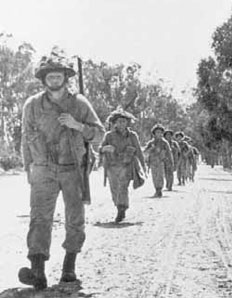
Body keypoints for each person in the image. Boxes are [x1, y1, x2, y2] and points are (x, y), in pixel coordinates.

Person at [19, 49, 105, 289]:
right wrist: (29, 168)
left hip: (72, 169)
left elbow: (99, 134)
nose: (54, 80)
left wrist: (77, 125)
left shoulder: (79, 103)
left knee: (74, 219)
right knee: (39, 219)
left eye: (58, 76)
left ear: (65, 78)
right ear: (44, 79)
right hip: (43, 170)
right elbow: (25, 139)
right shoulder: (33, 105)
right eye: (50, 76)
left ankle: (69, 268)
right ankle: (37, 271)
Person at [100, 108, 146, 223]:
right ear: (114, 122)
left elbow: (139, 151)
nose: (121, 124)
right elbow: (100, 149)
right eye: (119, 121)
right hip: (112, 167)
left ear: (127, 123)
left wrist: (143, 166)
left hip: (126, 166)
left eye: (124, 121)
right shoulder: (109, 136)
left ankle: (121, 209)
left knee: (122, 187)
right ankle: (119, 206)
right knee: (114, 189)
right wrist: (105, 148)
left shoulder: (132, 136)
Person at [144, 124, 173, 197]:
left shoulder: (164, 143)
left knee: (160, 176)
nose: (159, 134)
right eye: (157, 132)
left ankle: (159, 190)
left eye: (160, 132)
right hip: (153, 162)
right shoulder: (151, 143)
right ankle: (156, 189)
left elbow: (169, 153)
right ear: (154, 133)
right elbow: (145, 152)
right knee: (154, 177)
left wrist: (171, 162)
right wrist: (151, 149)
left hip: (161, 162)